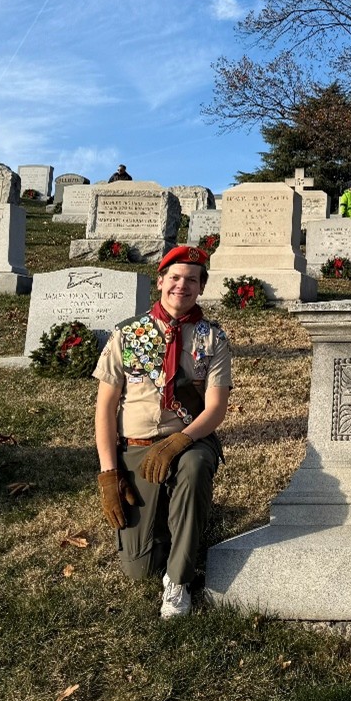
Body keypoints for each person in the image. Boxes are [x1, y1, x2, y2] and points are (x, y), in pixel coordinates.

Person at [94, 245, 231, 618]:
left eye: (191, 280)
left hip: (189, 440)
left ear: (201, 287)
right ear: (160, 282)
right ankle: (178, 522)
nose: (181, 286)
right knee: (139, 569)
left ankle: (179, 582)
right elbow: (106, 407)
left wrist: (180, 440)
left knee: (193, 469)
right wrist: (109, 473)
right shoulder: (128, 334)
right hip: (136, 446)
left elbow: (216, 408)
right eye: (174, 278)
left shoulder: (212, 339)